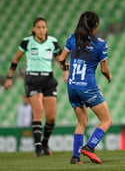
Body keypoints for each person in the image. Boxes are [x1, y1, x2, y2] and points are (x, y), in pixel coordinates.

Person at [4, 17, 67, 157]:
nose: (41, 30)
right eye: (38, 27)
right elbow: (16, 60)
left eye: (44, 27)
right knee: (38, 113)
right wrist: (9, 77)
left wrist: (65, 70)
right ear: (33, 29)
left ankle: (44, 143)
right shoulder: (27, 42)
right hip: (33, 79)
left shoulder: (52, 42)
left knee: (51, 117)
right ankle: (38, 148)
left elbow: (60, 59)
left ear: (46, 28)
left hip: (48, 79)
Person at [57, 11, 112, 164]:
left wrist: (67, 68)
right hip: (88, 88)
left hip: (72, 86)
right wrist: (108, 77)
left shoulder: (72, 39)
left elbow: (61, 58)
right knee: (106, 120)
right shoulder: (100, 44)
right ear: (96, 25)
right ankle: (90, 147)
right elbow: (104, 70)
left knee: (81, 122)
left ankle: (75, 157)